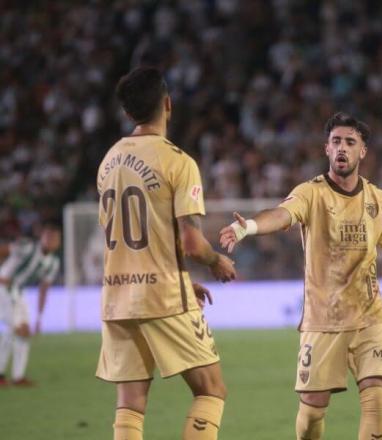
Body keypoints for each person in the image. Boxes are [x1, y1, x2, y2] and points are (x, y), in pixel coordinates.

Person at [219, 112, 382, 440]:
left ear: (363, 151)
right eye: (336, 142)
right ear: (326, 149)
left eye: (350, 142)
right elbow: (281, 215)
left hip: (369, 317)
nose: (342, 148)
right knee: (311, 414)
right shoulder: (311, 193)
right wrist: (247, 226)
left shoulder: (380, 201)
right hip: (323, 321)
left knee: (376, 398)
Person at [96, 67, 236, 440]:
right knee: (211, 389)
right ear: (168, 104)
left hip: (116, 294)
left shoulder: (108, 161)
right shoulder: (178, 161)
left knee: (129, 403)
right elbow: (191, 243)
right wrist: (215, 261)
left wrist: (181, 277)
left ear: (128, 113)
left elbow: (133, 240)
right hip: (162, 295)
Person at [0, 222, 61, 387]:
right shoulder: (27, 247)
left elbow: (44, 290)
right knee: (16, 329)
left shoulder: (53, 263)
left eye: (55, 238)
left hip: (18, 291)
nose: (51, 241)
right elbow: (4, 250)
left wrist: (40, 316)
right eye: (48, 236)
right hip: (4, 287)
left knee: (24, 331)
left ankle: (18, 377)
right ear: (42, 236)